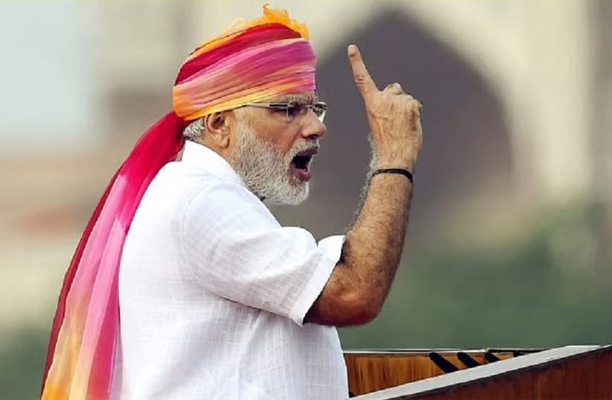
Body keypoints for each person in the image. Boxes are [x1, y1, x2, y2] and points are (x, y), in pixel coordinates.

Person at [41, 6, 422, 400]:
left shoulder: (205, 196)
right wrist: (393, 156)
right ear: (220, 125)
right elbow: (353, 293)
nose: (315, 127)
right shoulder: (199, 201)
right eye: (289, 109)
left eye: (314, 108)